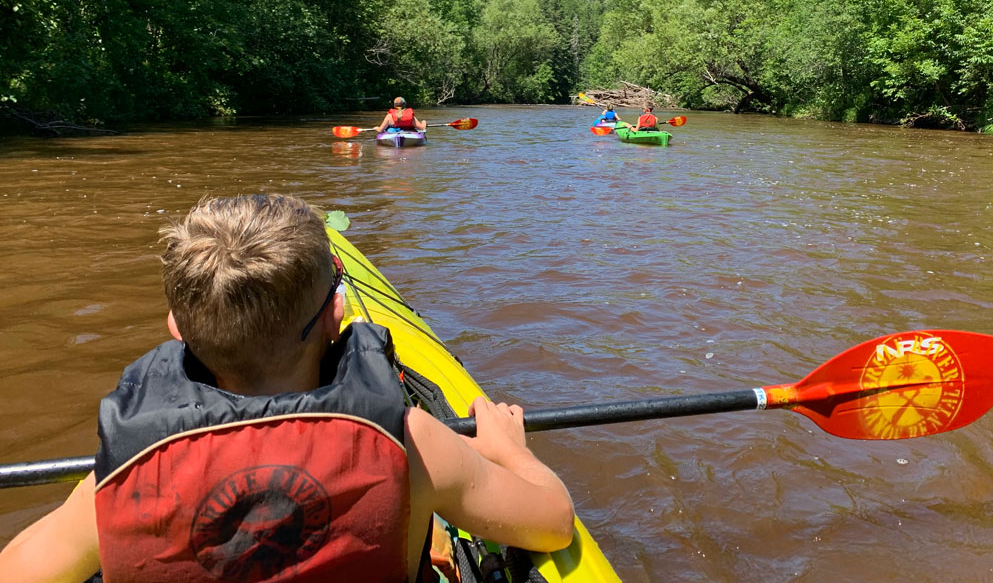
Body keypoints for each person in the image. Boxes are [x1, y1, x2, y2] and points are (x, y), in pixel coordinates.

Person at [0, 194, 574, 583]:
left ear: (177, 328)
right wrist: (510, 451)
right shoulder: (415, 446)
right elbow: (552, 521)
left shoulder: (118, 480)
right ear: (336, 316)